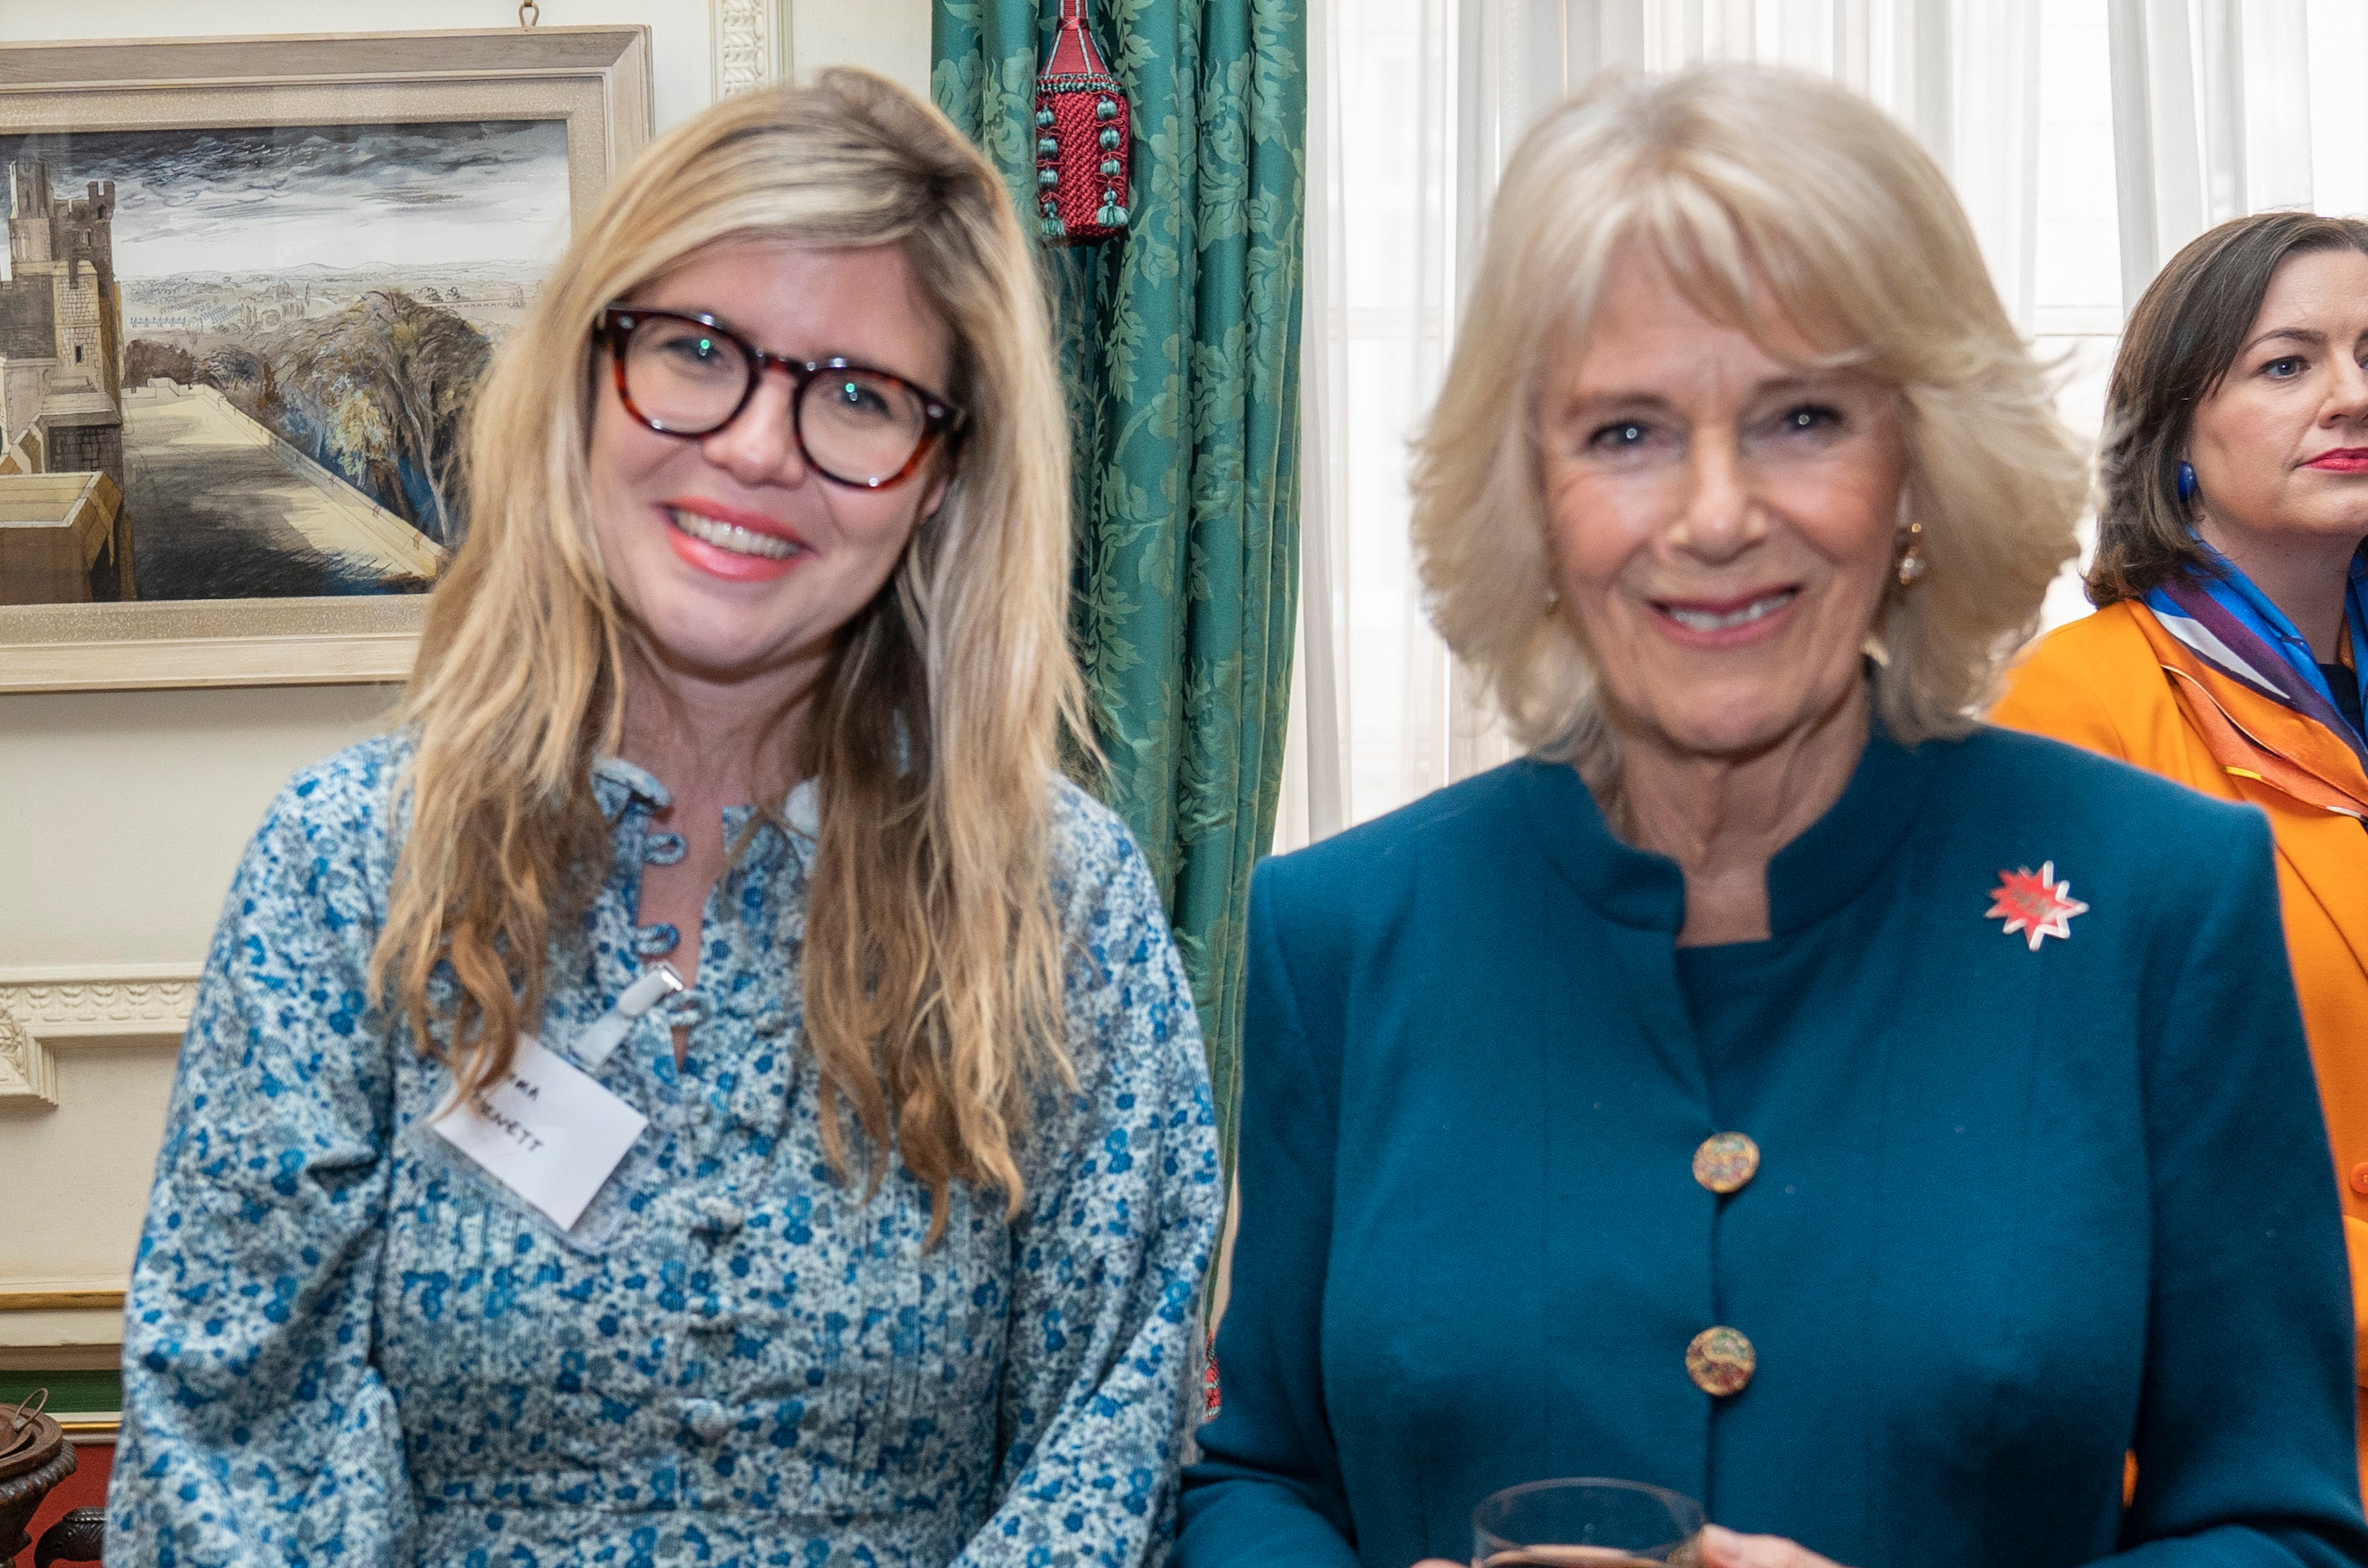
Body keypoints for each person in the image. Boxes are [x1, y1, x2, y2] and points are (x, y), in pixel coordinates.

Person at [1178, 64, 2367, 1568]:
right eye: (1623, 433)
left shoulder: (2159, 897)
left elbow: (2276, 1527)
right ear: (1527, 496)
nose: (1716, 514)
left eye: (1802, 416)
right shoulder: (1338, 931)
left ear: (1920, 468)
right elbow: (1257, 1476)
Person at [109, 69, 1222, 1567]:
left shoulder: (1062, 900)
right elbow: (233, 1441)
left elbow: (1107, 1439)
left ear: (942, 482)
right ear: (585, 377)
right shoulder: (343, 873)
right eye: (699, 350)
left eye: (857, 395)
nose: (761, 447)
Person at [1990, 211, 2368, 1487]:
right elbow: (2062, 1138)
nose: (2351, 394)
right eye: (2287, 363)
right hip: (2249, 1444)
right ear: (2174, 435)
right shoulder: (2077, 702)